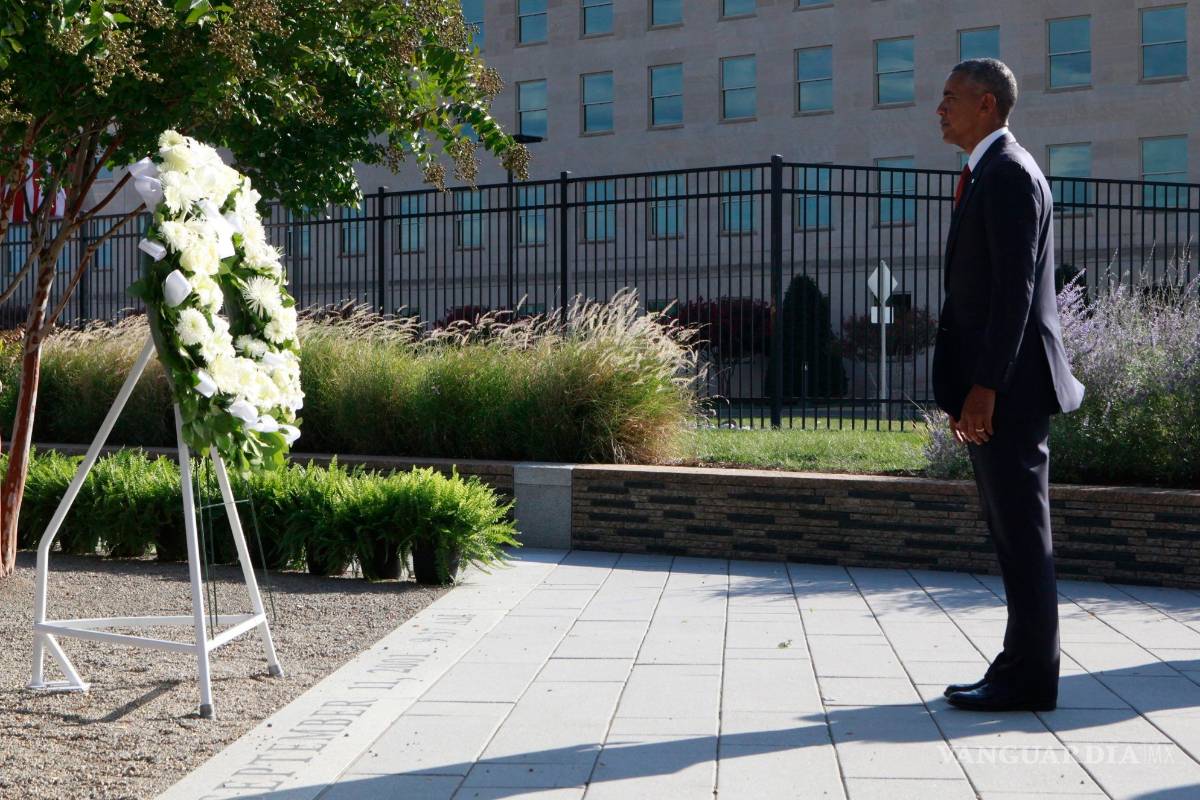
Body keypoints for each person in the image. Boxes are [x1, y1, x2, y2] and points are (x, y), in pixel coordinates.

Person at [932, 58, 1085, 712]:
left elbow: (1015, 293)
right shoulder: (987, 172)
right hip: (1000, 387)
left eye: (950, 98)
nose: (939, 109)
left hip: (1011, 393)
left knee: (1022, 537)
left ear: (987, 105)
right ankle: (1020, 666)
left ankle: (1027, 679)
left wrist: (985, 387)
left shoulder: (1009, 175)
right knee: (1012, 533)